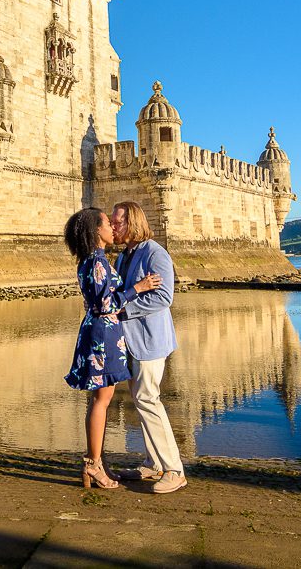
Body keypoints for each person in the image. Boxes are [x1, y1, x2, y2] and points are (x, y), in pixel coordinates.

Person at [62, 207, 160, 489]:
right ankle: (93, 465)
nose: (112, 228)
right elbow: (106, 304)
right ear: (96, 231)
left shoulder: (94, 260)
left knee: (99, 401)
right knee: (102, 401)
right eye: (107, 224)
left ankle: (96, 462)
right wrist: (138, 288)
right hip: (103, 333)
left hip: (100, 331)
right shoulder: (97, 262)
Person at [110, 200, 188, 494]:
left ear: (133, 223)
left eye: (118, 222)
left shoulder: (156, 254)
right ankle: (153, 463)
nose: (113, 227)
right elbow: (121, 293)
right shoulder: (124, 257)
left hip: (151, 340)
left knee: (147, 399)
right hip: (131, 341)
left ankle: (174, 469)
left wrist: (124, 310)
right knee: (141, 399)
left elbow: (164, 297)